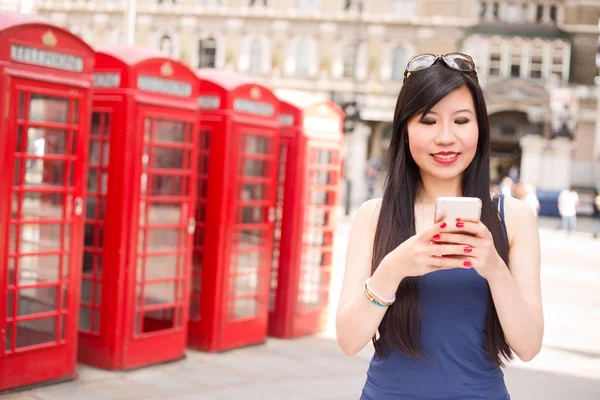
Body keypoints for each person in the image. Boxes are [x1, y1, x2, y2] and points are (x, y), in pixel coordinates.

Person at [335, 53, 543, 400]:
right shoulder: (375, 216)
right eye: (428, 121)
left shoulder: (514, 217)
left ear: (480, 128)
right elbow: (348, 340)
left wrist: (494, 267)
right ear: (404, 130)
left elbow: (529, 346)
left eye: (461, 121)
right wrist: (394, 268)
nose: (446, 138)